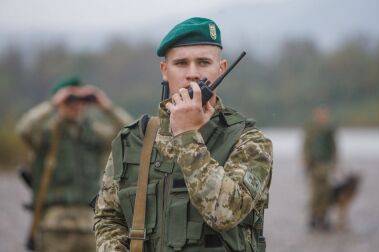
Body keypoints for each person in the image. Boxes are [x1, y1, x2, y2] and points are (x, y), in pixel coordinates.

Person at [94, 17, 273, 251]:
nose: (192, 74)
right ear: (164, 70)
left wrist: (188, 134)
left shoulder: (249, 141)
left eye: (203, 62)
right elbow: (108, 219)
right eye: (181, 63)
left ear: (221, 69)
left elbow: (224, 213)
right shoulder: (133, 141)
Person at [16, 76, 133, 251]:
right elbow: (24, 129)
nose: (75, 105)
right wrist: (52, 104)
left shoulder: (93, 134)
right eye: (70, 100)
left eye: (81, 101)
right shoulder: (46, 134)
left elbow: (129, 133)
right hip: (54, 225)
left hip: (90, 223)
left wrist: (106, 106)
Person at [303, 106, 336, 231]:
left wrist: (334, 163)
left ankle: (323, 218)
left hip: (325, 165)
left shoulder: (329, 130)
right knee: (315, 193)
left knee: (326, 192)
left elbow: (333, 147)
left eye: (324, 115)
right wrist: (305, 161)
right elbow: (306, 146)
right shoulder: (311, 129)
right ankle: (313, 217)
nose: (322, 117)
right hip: (314, 165)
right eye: (320, 115)